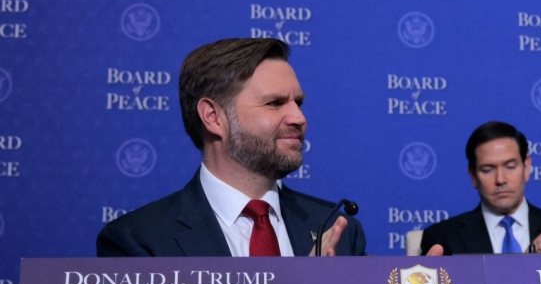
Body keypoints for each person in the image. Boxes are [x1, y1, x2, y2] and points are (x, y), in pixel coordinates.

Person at [97, 38, 365, 257]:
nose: (299, 118)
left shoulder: (337, 230)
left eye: (299, 103)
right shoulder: (139, 241)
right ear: (213, 117)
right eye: (274, 103)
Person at [420, 121, 541, 255]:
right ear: (473, 175)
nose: (501, 179)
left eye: (510, 167)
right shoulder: (442, 238)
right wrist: (523, 269)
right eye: (487, 170)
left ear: (527, 167)